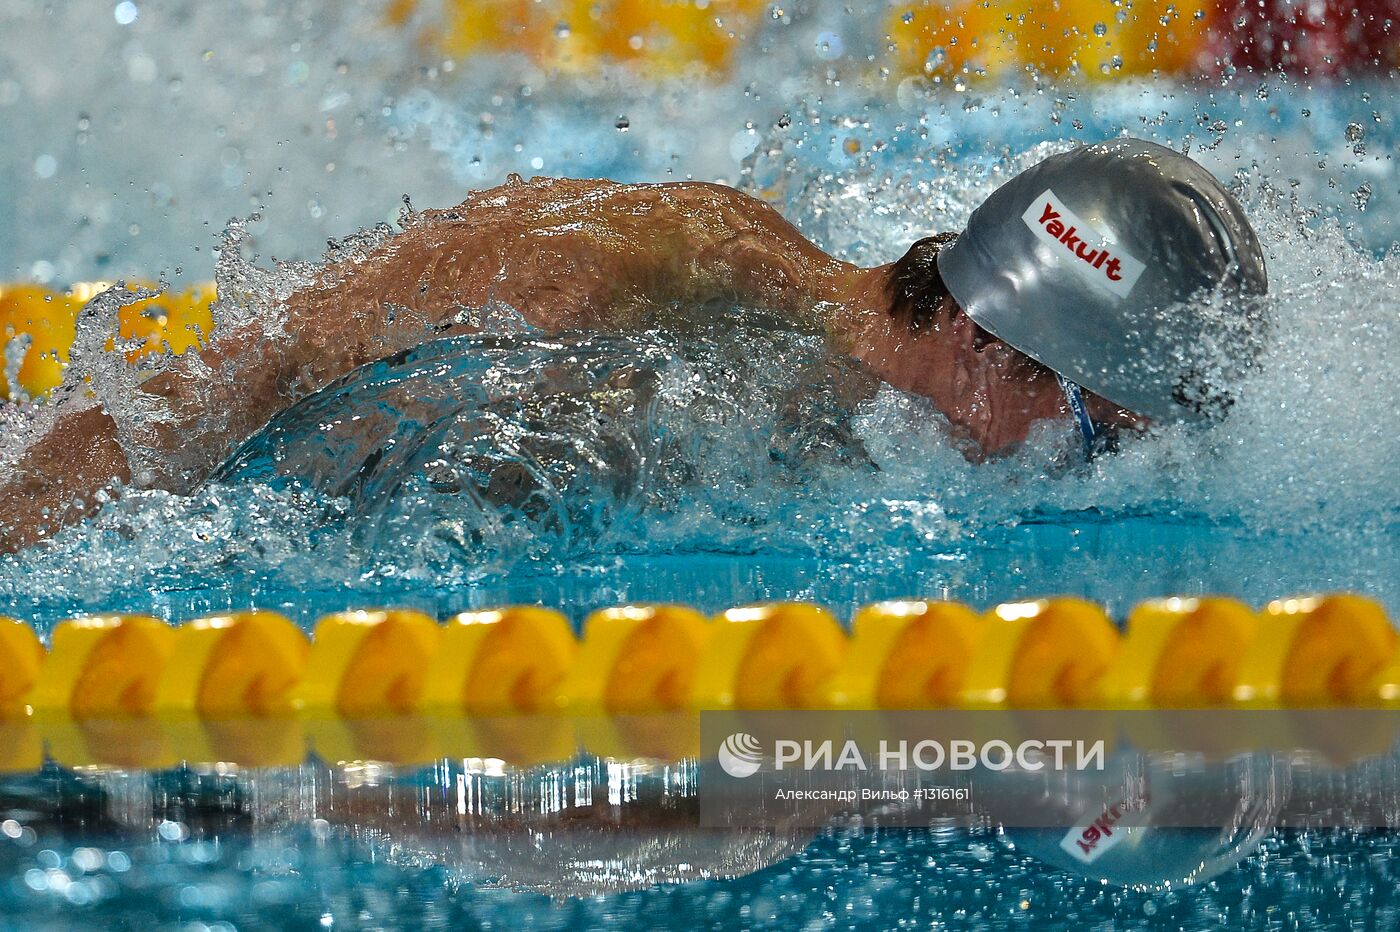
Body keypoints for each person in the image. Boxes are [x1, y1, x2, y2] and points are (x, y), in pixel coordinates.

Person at [0, 137, 1267, 553]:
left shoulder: (854, 421)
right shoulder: (631, 275)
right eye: (1099, 437)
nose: (1090, 481)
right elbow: (210, 395)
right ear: (1001, 351)